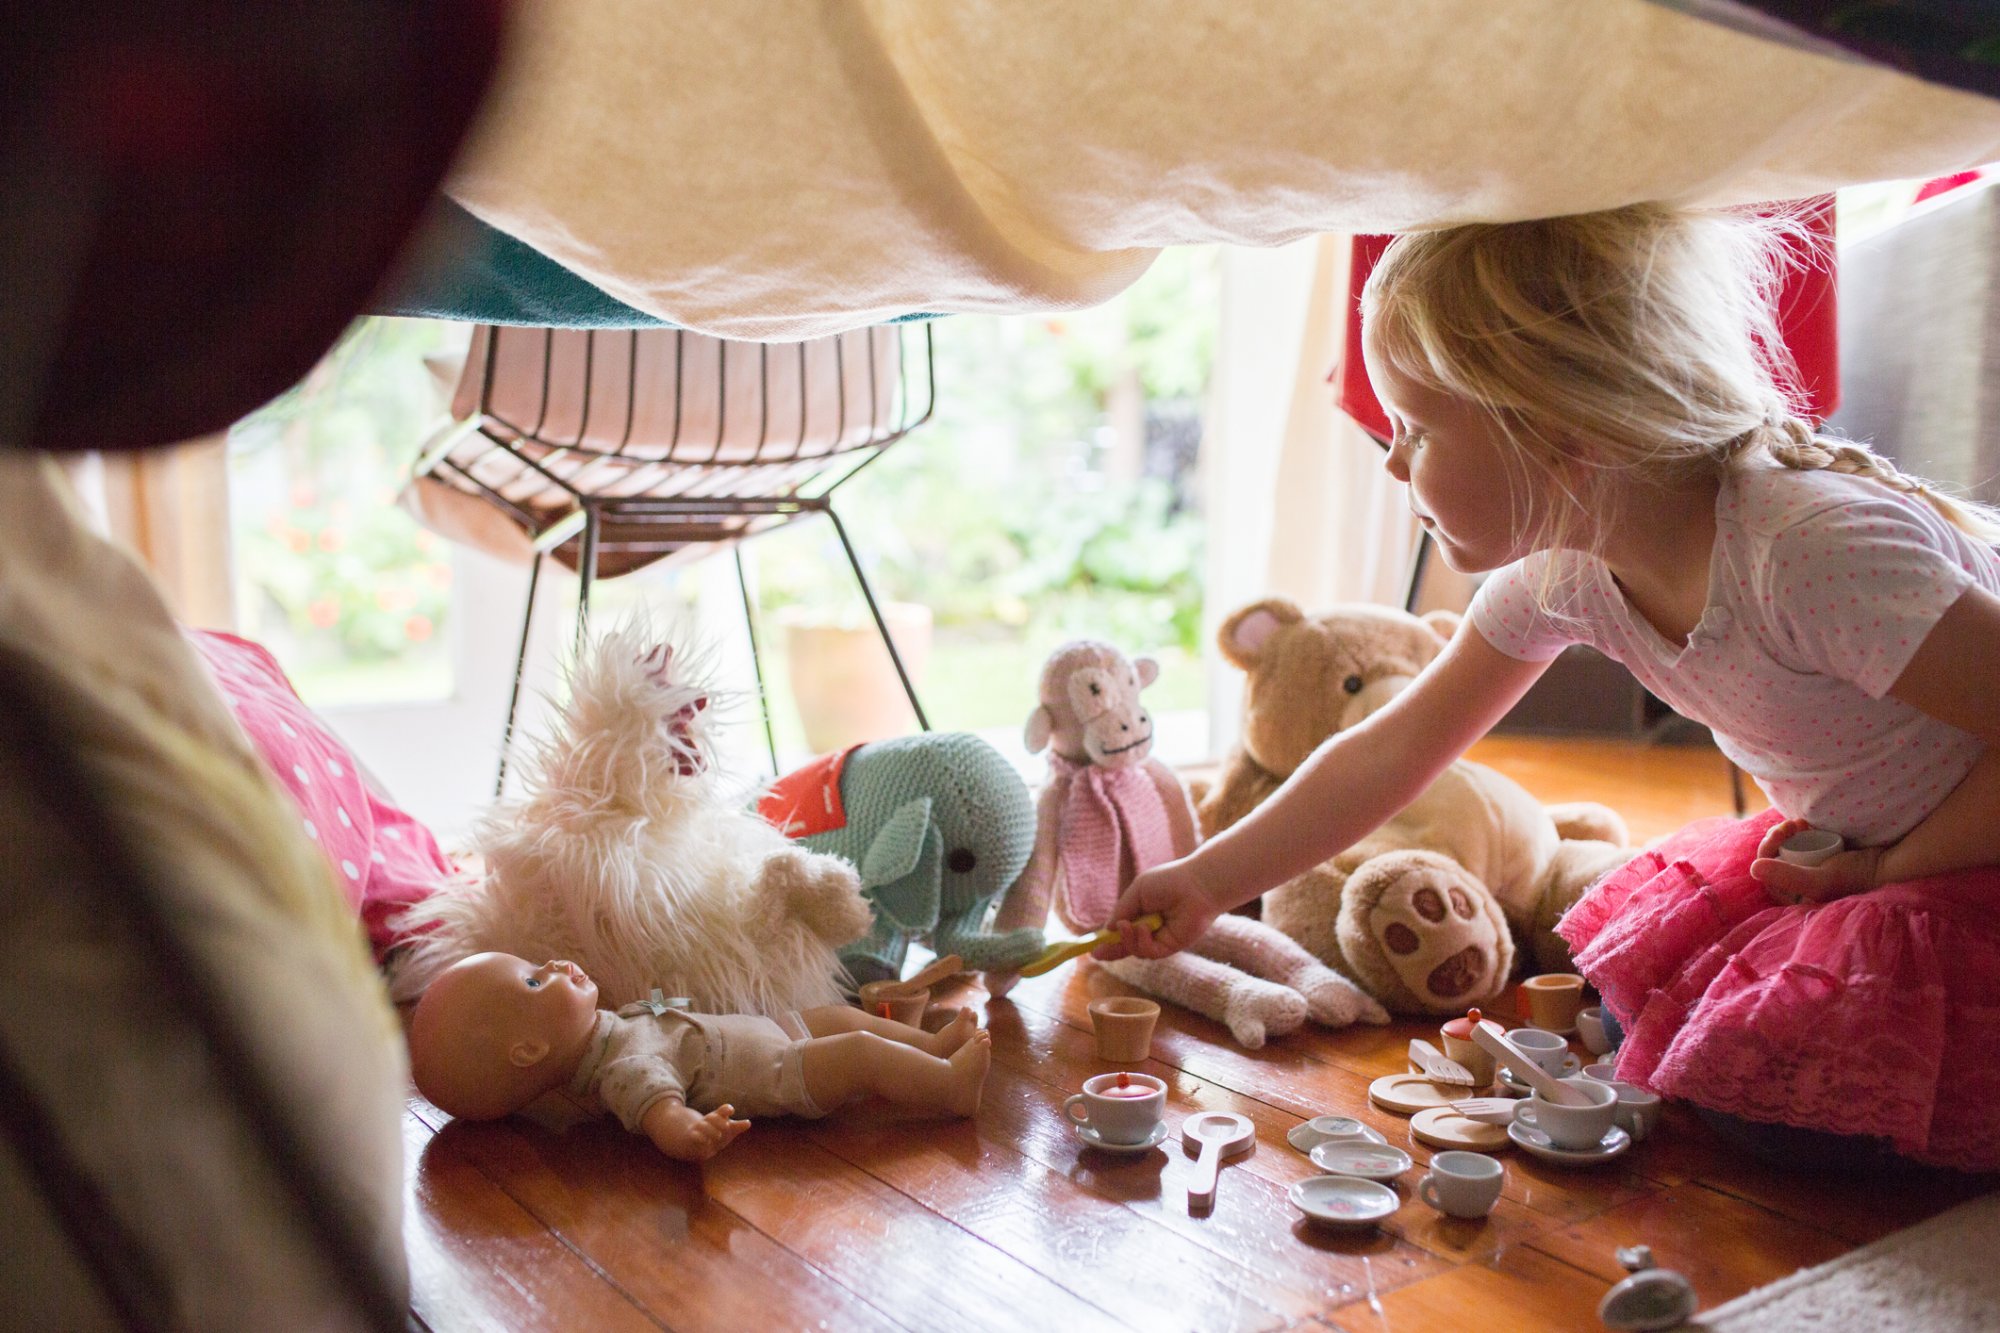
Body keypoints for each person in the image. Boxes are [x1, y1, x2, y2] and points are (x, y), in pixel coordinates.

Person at [1098, 202, 2000, 1172]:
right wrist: (1207, 881)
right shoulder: (1568, 572)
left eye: (1415, 429)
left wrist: (1883, 871)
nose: (1392, 459)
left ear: (1560, 429)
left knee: (1790, 1112)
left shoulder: (1804, 552)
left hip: (1960, 859)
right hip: (1869, 851)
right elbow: (1392, 748)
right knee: (1649, 1029)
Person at [408, 952, 991, 1161]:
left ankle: (931, 1047)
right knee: (859, 1051)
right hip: (778, 1072)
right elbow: (657, 1106)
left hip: (769, 1032)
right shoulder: (622, 1068)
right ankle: (948, 1086)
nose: (554, 964)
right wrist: (687, 1132)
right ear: (529, 1050)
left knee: (841, 1017)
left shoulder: (611, 1033)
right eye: (536, 982)